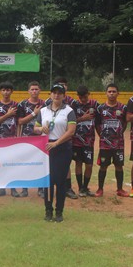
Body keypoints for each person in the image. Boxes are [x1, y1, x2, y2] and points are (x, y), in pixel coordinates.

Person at [34, 84, 76, 222]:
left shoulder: (69, 111)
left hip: (62, 148)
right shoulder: (43, 111)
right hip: (47, 148)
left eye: (59, 93)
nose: (56, 95)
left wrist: (57, 143)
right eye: (54, 93)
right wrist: (41, 129)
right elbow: (36, 128)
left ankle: (59, 211)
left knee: (61, 181)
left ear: (64, 95)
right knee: (49, 181)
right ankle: (48, 210)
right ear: (50, 94)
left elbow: (71, 131)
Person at [94, 83, 128, 197]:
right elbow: (97, 125)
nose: (112, 93)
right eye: (109, 91)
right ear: (106, 93)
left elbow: (125, 123)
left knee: (119, 165)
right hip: (105, 143)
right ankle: (100, 189)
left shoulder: (123, 108)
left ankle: (120, 189)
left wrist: (118, 134)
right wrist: (103, 136)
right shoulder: (100, 108)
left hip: (119, 143)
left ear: (118, 93)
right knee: (103, 166)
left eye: (114, 91)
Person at [16, 81, 44, 197]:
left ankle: (41, 189)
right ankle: (24, 189)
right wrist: (34, 113)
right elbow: (20, 121)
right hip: (26, 139)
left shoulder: (45, 104)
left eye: (36, 89)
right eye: (32, 89)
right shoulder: (22, 104)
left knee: (41, 163)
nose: (34, 91)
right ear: (28, 91)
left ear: (40, 91)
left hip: (41, 138)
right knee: (25, 164)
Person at [0, 81, 19, 196]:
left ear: (11, 91)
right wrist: (8, 114)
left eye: (8, 90)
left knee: (12, 163)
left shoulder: (16, 105)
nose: (6, 92)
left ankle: (13, 189)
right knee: (0, 164)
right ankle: (1, 188)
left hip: (12, 138)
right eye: (3, 90)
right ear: (0, 92)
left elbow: (19, 122)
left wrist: (18, 137)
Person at [70, 85, 97, 197]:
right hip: (76, 140)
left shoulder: (95, 105)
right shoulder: (74, 105)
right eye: (81, 97)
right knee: (78, 163)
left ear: (88, 94)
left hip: (89, 140)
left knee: (89, 165)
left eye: (85, 97)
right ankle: (81, 188)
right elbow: (69, 121)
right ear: (78, 96)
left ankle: (85, 187)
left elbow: (100, 121)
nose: (83, 99)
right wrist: (82, 118)